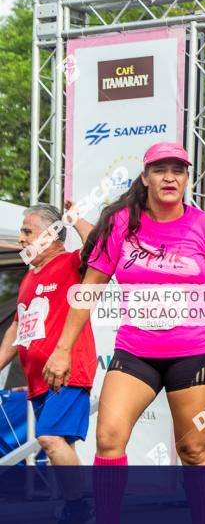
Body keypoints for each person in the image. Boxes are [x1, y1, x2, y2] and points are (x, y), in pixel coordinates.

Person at [42, 143, 205, 523]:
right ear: (145, 177)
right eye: (160, 170)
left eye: (178, 170)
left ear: (186, 178)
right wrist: (62, 349)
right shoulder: (119, 226)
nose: (169, 177)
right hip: (136, 353)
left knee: (193, 450)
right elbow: (89, 289)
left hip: (194, 355)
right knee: (109, 438)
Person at [0, 204, 96, 524]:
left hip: (69, 371)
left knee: (50, 439)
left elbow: (100, 247)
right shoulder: (30, 277)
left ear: (53, 235)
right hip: (37, 380)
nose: (21, 239)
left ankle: (81, 508)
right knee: (60, 445)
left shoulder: (70, 263)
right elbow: (17, 327)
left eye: (28, 232)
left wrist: (76, 218)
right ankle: (77, 507)